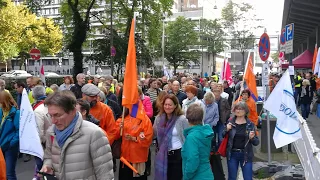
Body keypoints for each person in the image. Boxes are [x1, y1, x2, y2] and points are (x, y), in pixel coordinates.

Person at [39, 91, 114, 179]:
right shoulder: (51, 132)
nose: (53, 121)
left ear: (73, 111)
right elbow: (48, 157)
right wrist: (47, 165)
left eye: (57, 115)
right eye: (50, 116)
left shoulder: (94, 134)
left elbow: (105, 174)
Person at [154, 94, 189, 180]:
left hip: (178, 155)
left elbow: (188, 136)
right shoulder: (158, 118)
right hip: (163, 154)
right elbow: (153, 133)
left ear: (175, 106)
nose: (167, 107)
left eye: (170, 105)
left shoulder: (182, 119)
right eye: (165, 104)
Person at [114, 108, 153, 180]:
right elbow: (115, 136)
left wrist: (134, 139)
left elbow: (148, 140)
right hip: (125, 159)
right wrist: (120, 128)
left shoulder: (144, 119)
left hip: (138, 160)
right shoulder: (122, 119)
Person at [224, 102, 259, 180]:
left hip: (246, 154)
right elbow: (223, 135)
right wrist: (226, 129)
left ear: (245, 111)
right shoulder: (230, 122)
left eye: (240, 109)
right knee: (232, 177)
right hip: (232, 154)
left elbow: (256, 142)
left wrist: (252, 138)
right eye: (236, 109)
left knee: (248, 178)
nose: (238, 111)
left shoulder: (250, 124)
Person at [182, 104, 214, 180]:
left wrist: (186, 176)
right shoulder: (205, 132)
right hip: (207, 173)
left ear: (188, 117)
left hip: (196, 176)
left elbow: (193, 160)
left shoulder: (192, 137)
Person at [0, 91, 20, 180]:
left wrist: (11, 143)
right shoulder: (1, 111)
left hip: (10, 148)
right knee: (3, 173)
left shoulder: (16, 113)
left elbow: (19, 132)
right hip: (1, 146)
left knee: (9, 174)